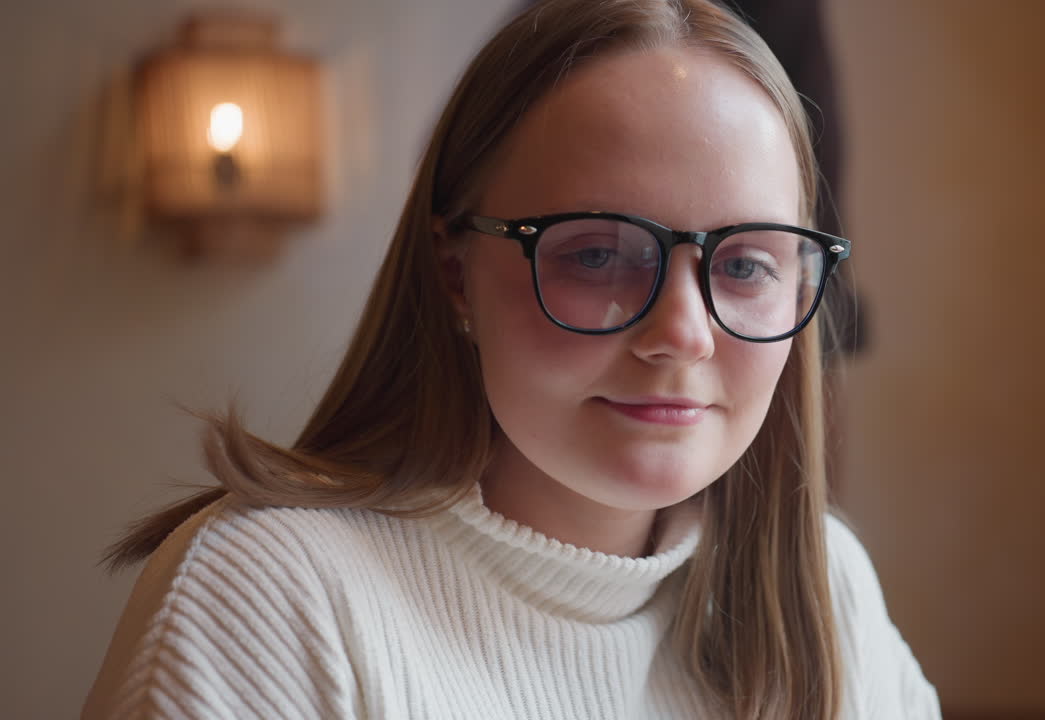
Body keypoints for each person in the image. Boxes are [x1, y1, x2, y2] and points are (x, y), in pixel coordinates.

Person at [83, 0, 940, 717]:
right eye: (598, 254)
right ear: (454, 273)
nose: (682, 333)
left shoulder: (828, 592)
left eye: (746, 264)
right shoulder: (269, 600)